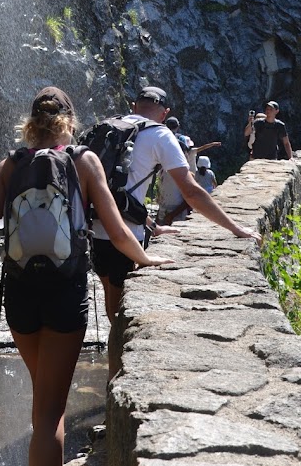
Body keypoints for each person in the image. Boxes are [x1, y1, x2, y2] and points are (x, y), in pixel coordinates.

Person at [0, 87, 173, 466]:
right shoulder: (84, 161)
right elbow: (117, 233)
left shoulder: (11, 164)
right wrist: (147, 260)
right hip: (64, 294)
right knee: (48, 413)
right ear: (70, 120)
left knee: (46, 401)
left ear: (31, 122)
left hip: (20, 296)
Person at [90, 85, 262, 321]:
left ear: (133, 106)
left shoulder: (110, 127)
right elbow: (191, 191)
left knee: (110, 300)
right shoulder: (160, 134)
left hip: (95, 227)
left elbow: (114, 190)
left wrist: (154, 226)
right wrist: (236, 229)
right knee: (120, 314)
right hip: (127, 234)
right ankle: (115, 355)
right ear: (164, 113)